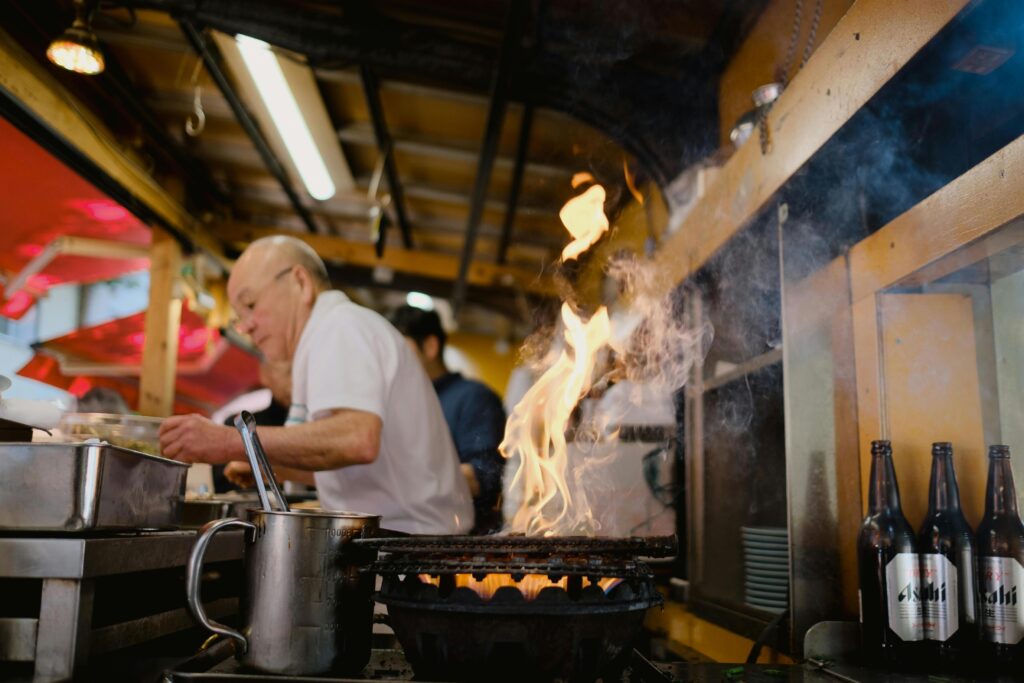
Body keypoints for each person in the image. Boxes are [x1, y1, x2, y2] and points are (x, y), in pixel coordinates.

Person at [158, 236, 473, 535]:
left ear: (300, 282)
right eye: (240, 317)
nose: (247, 326)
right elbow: (348, 463)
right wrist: (270, 465)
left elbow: (356, 439)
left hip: (411, 550)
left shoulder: (339, 326)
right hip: (403, 541)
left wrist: (230, 441)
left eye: (251, 304)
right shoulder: (323, 337)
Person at [389, 305, 506, 534]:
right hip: (410, 536)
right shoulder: (403, 401)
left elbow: (484, 475)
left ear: (430, 346)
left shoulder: (473, 397)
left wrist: (400, 480)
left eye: (401, 349)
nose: (393, 360)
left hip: (462, 546)